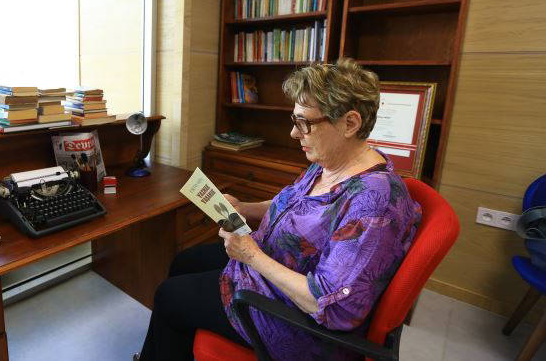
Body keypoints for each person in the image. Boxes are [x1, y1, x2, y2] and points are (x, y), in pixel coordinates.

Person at [137, 58, 422, 361]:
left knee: (169, 297)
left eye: (304, 123)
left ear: (350, 123)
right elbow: (293, 204)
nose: (294, 134)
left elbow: (332, 306)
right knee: (184, 262)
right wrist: (244, 208)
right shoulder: (329, 162)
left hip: (297, 322)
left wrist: (251, 256)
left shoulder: (374, 205)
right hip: (274, 265)